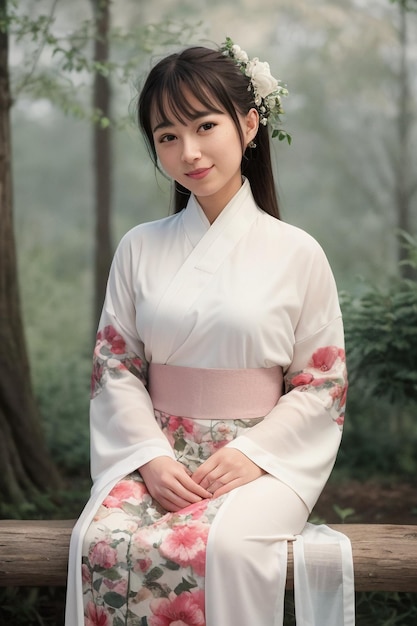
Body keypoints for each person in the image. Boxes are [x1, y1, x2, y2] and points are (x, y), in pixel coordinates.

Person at [65, 38, 354, 626]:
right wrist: (148, 456)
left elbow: (322, 383)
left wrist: (252, 453)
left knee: (222, 546)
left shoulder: (298, 253)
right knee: (100, 542)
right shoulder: (139, 247)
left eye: (204, 125)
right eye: (167, 136)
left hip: (260, 461)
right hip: (157, 455)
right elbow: (115, 366)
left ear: (248, 125)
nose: (188, 151)